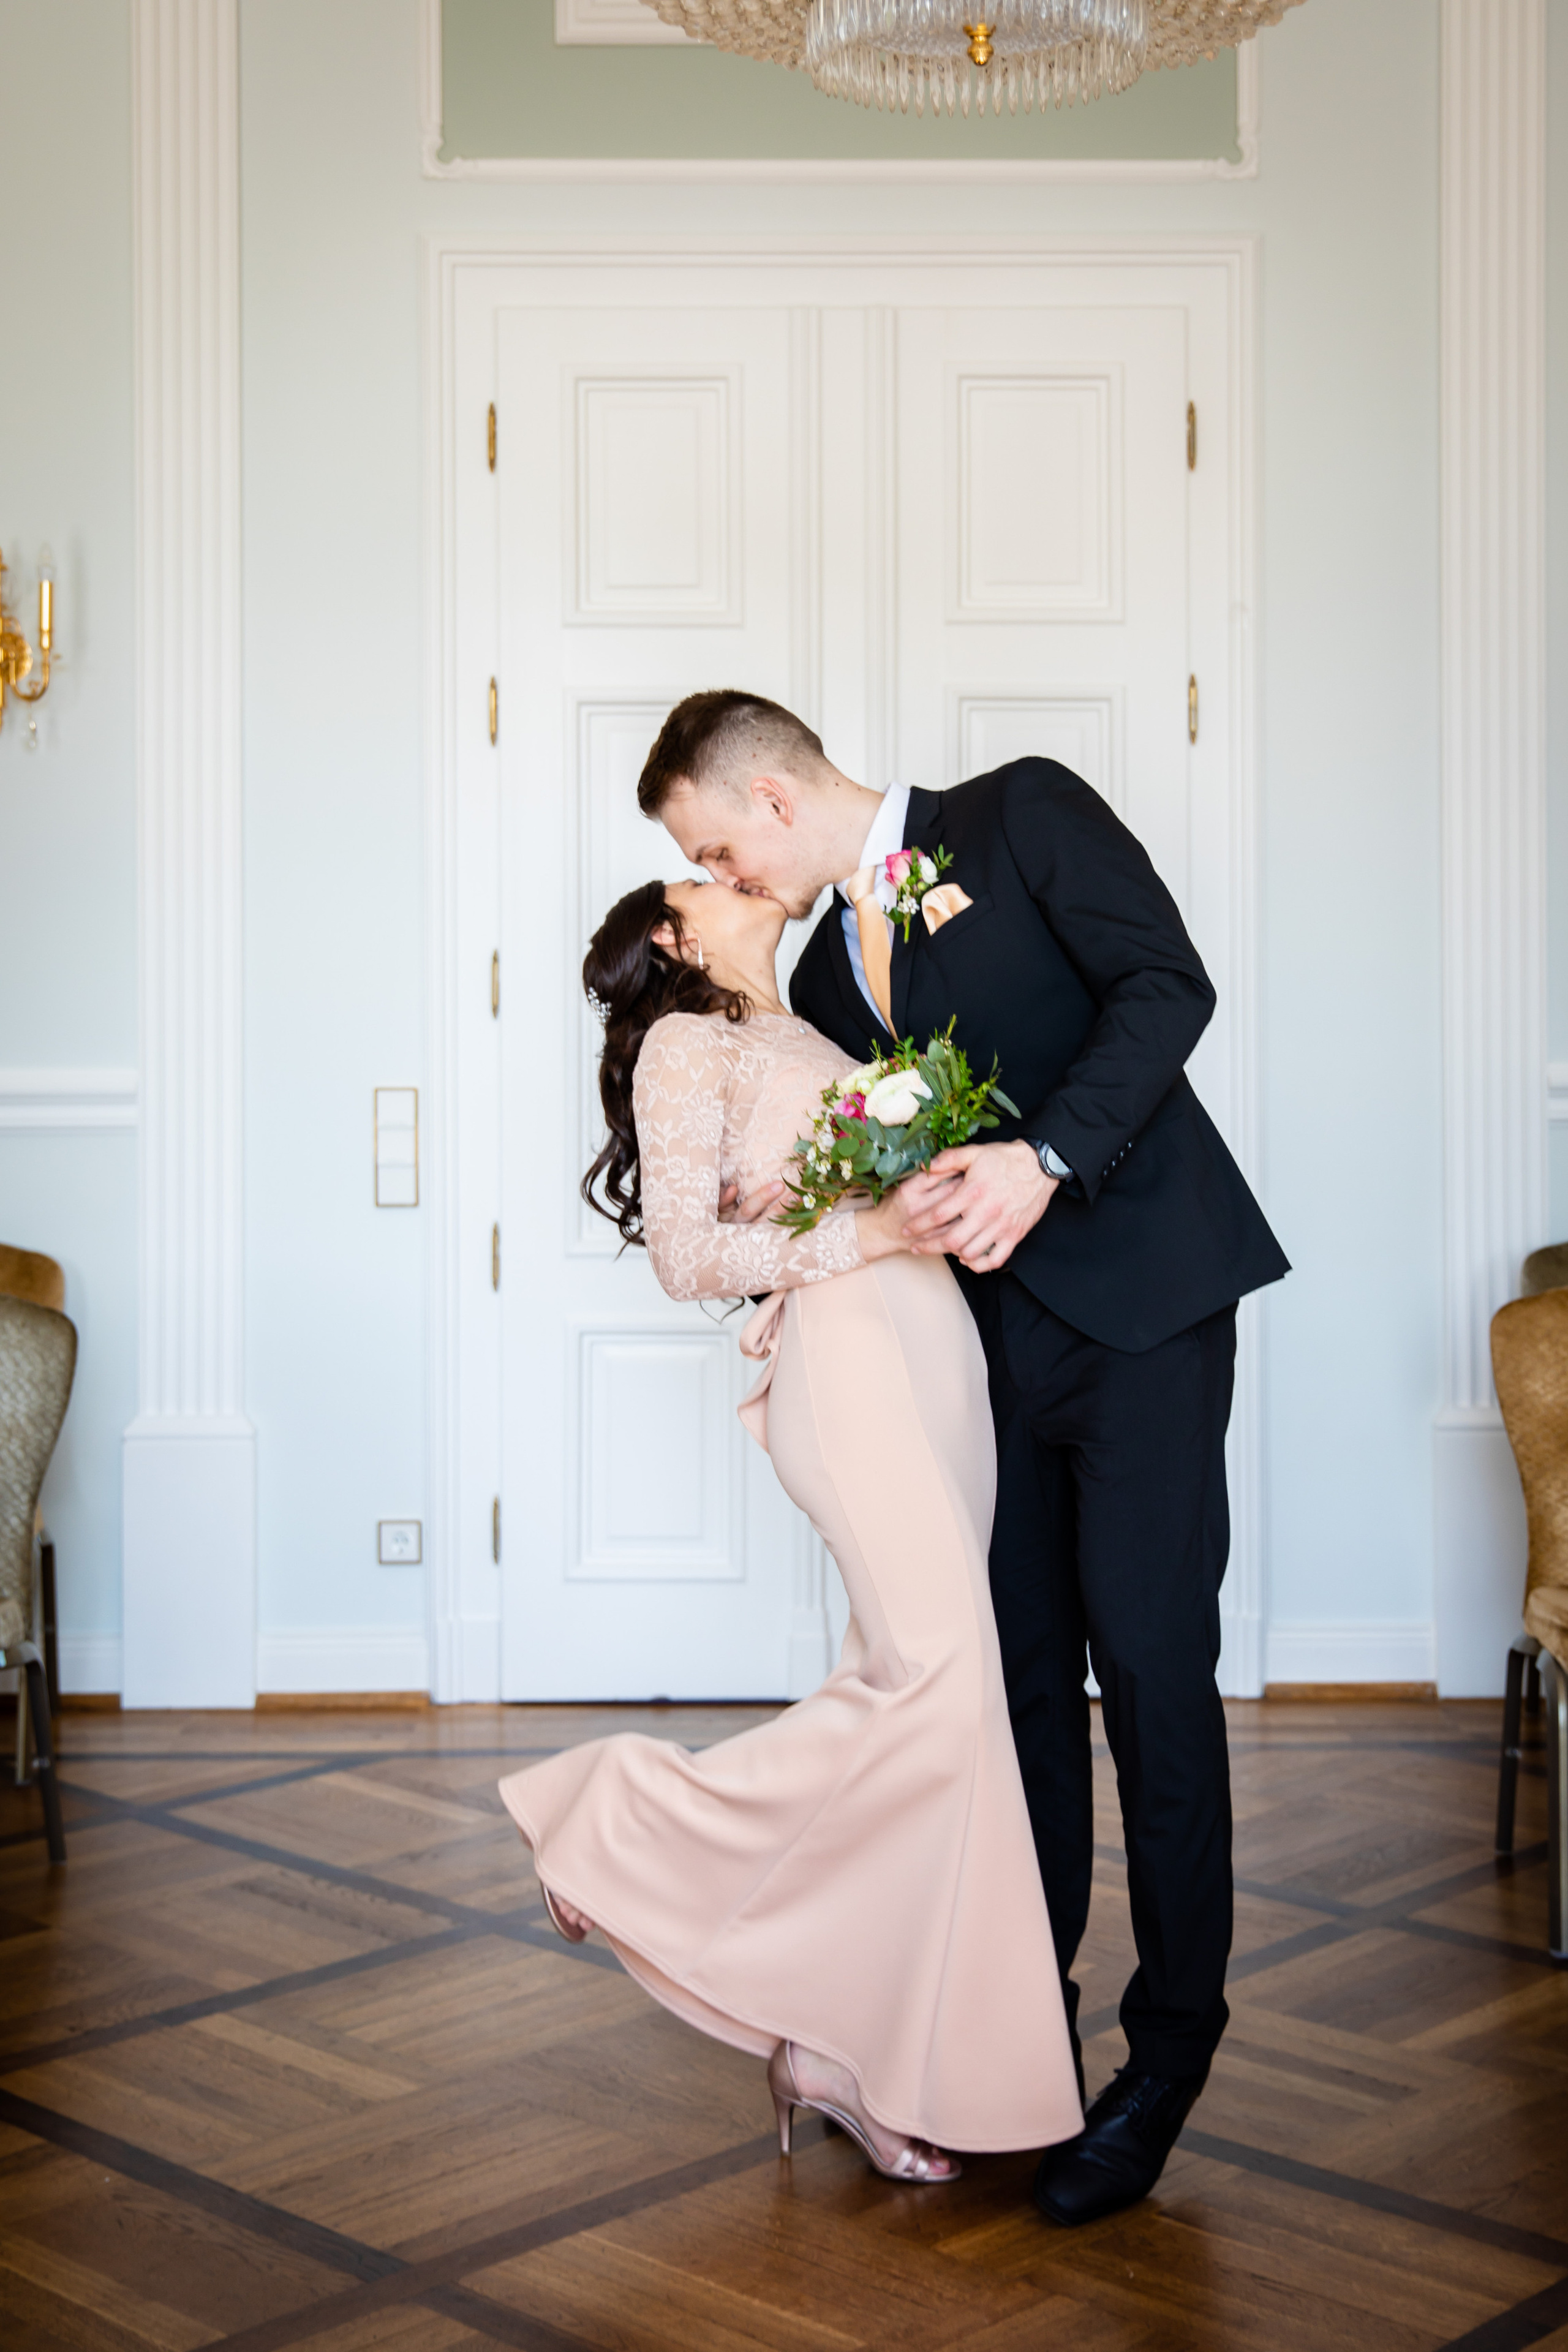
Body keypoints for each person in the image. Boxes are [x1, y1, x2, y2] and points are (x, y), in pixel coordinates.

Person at [638, 689, 1289, 2228]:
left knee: (1147, 1676)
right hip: (979, 1365)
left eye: (718, 847)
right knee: (1014, 1703)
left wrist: (1041, 1158)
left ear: (775, 804)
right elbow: (858, 1181)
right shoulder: (809, 970)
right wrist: (794, 1291)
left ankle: (1166, 2059)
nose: (728, 879)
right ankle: (1021, 2041)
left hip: (1141, 1322)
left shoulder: (1018, 812)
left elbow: (1164, 987)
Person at [497, 873, 1083, 2185]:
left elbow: (808, 1210)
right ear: (671, 935)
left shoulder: (815, 1028)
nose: (733, 874)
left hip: (936, 1352)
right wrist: (857, 1231)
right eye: (698, 874)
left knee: (929, 1699)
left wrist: (875, 1212)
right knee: (937, 1681)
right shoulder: (683, 1041)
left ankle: (840, 2051)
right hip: (857, 1360)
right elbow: (686, 1254)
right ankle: (617, 1816)